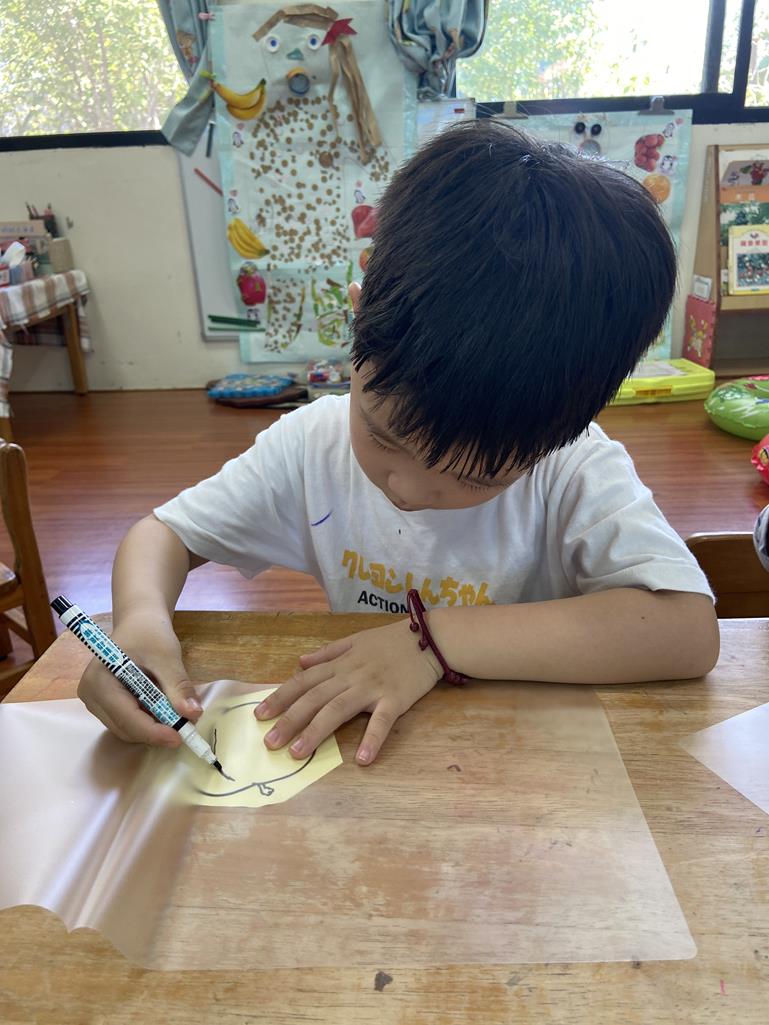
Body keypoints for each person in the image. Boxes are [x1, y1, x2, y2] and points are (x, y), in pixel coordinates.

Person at [78, 120, 719, 765]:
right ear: (359, 317)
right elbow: (162, 536)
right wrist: (138, 622)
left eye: (474, 478)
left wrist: (431, 642)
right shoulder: (311, 446)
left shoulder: (572, 470)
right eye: (382, 436)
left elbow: (687, 632)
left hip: (529, 767)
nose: (407, 490)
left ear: (568, 424)